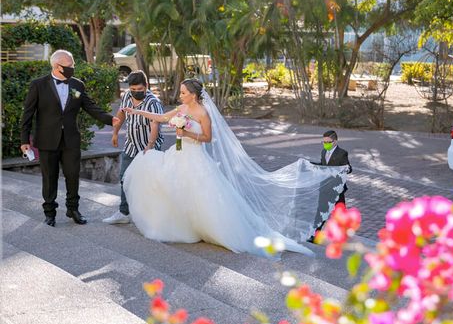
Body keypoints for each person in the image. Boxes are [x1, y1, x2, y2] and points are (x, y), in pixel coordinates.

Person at [121, 79, 348, 257]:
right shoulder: (182, 108)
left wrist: (186, 133)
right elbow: (161, 117)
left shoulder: (202, 113)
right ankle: (182, 225)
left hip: (195, 158)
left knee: (198, 194)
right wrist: (137, 112)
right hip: (178, 154)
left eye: (182, 92)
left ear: (192, 94)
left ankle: (211, 229)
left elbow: (208, 137)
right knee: (155, 171)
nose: (179, 95)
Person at [20, 49, 120, 227]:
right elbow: (27, 114)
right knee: (49, 178)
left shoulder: (77, 85)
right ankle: (49, 213)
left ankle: (73, 209)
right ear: (58, 66)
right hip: (47, 140)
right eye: (70, 65)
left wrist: (110, 119)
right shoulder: (38, 85)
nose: (73, 67)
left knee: (73, 175)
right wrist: (24, 141)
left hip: (70, 140)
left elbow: (90, 106)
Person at [103, 71, 164, 225]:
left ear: (146, 86)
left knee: (149, 181)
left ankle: (151, 214)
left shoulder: (153, 102)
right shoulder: (126, 97)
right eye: (133, 90)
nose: (136, 93)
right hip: (130, 146)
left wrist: (150, 145)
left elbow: (154, 124)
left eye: (139, 90)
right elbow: (121, 114)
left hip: (148, 148)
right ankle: (124, 212)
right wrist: (115, 133)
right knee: (124, 178)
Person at [308, 130, 353, 240]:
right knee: (321, 211)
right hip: (325, 187)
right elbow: (324, 165)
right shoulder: (323, 152)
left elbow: (348, 168)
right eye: (324, 142)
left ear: (335, 142)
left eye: (328, 142)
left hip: (337, 188)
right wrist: (311, 165)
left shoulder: (342, 153)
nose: (325, 144)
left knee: (340, 212)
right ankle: (315, 235)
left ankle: (344, 234)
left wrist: (347, 169)